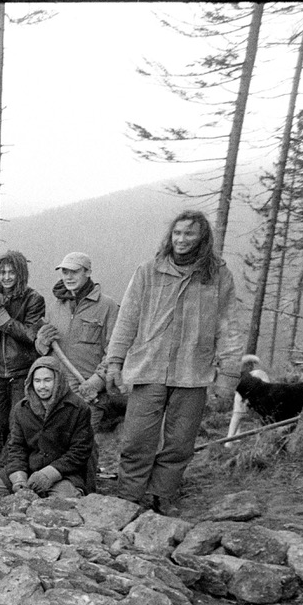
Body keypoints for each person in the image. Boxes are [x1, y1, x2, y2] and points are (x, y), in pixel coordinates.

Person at [105, 210, 242, 515]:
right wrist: (114, 363)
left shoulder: (218, 276)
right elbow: (126, 319)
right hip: (149, 368)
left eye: (189, 234)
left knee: (180, 443)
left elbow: (228, 327)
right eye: (177, 233)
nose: (181, 240)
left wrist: (227, 377)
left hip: (193, 372)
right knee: (137, 439)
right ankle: (128, 497)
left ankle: (161, 496)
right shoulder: (148, 271)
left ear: (202, 238)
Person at [34, 252, 121, 452]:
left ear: (88, 272)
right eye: (65, 271)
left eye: (74, 271)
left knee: (82, 447)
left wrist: (97, 381)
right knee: (57, 447)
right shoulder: (56, 306)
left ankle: (87, 483)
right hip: (57, 393)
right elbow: (45, 353)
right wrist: (41, 343)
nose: (68, 277)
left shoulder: (107, 306)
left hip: (88, 393)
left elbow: (116, 352)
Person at [0, 251, 46, 475]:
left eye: (11, 272)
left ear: (20, 273)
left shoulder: (33, 299)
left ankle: (13, 471)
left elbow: (31, 335)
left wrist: (4, 319)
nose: (6, 277)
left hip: (21, 373)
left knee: (17, 427)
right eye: (2, 272)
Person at [0, 355, 95, 499]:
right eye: (37, 381)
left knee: (66, 503)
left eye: (47, 380)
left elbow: (79, 452)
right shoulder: (21, 409)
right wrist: (19, 479)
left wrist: (48, 474)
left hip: (63, 474)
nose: (42, 386)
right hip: (27, 469)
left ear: (58, 381)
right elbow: (16, 447)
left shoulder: (78, 408)